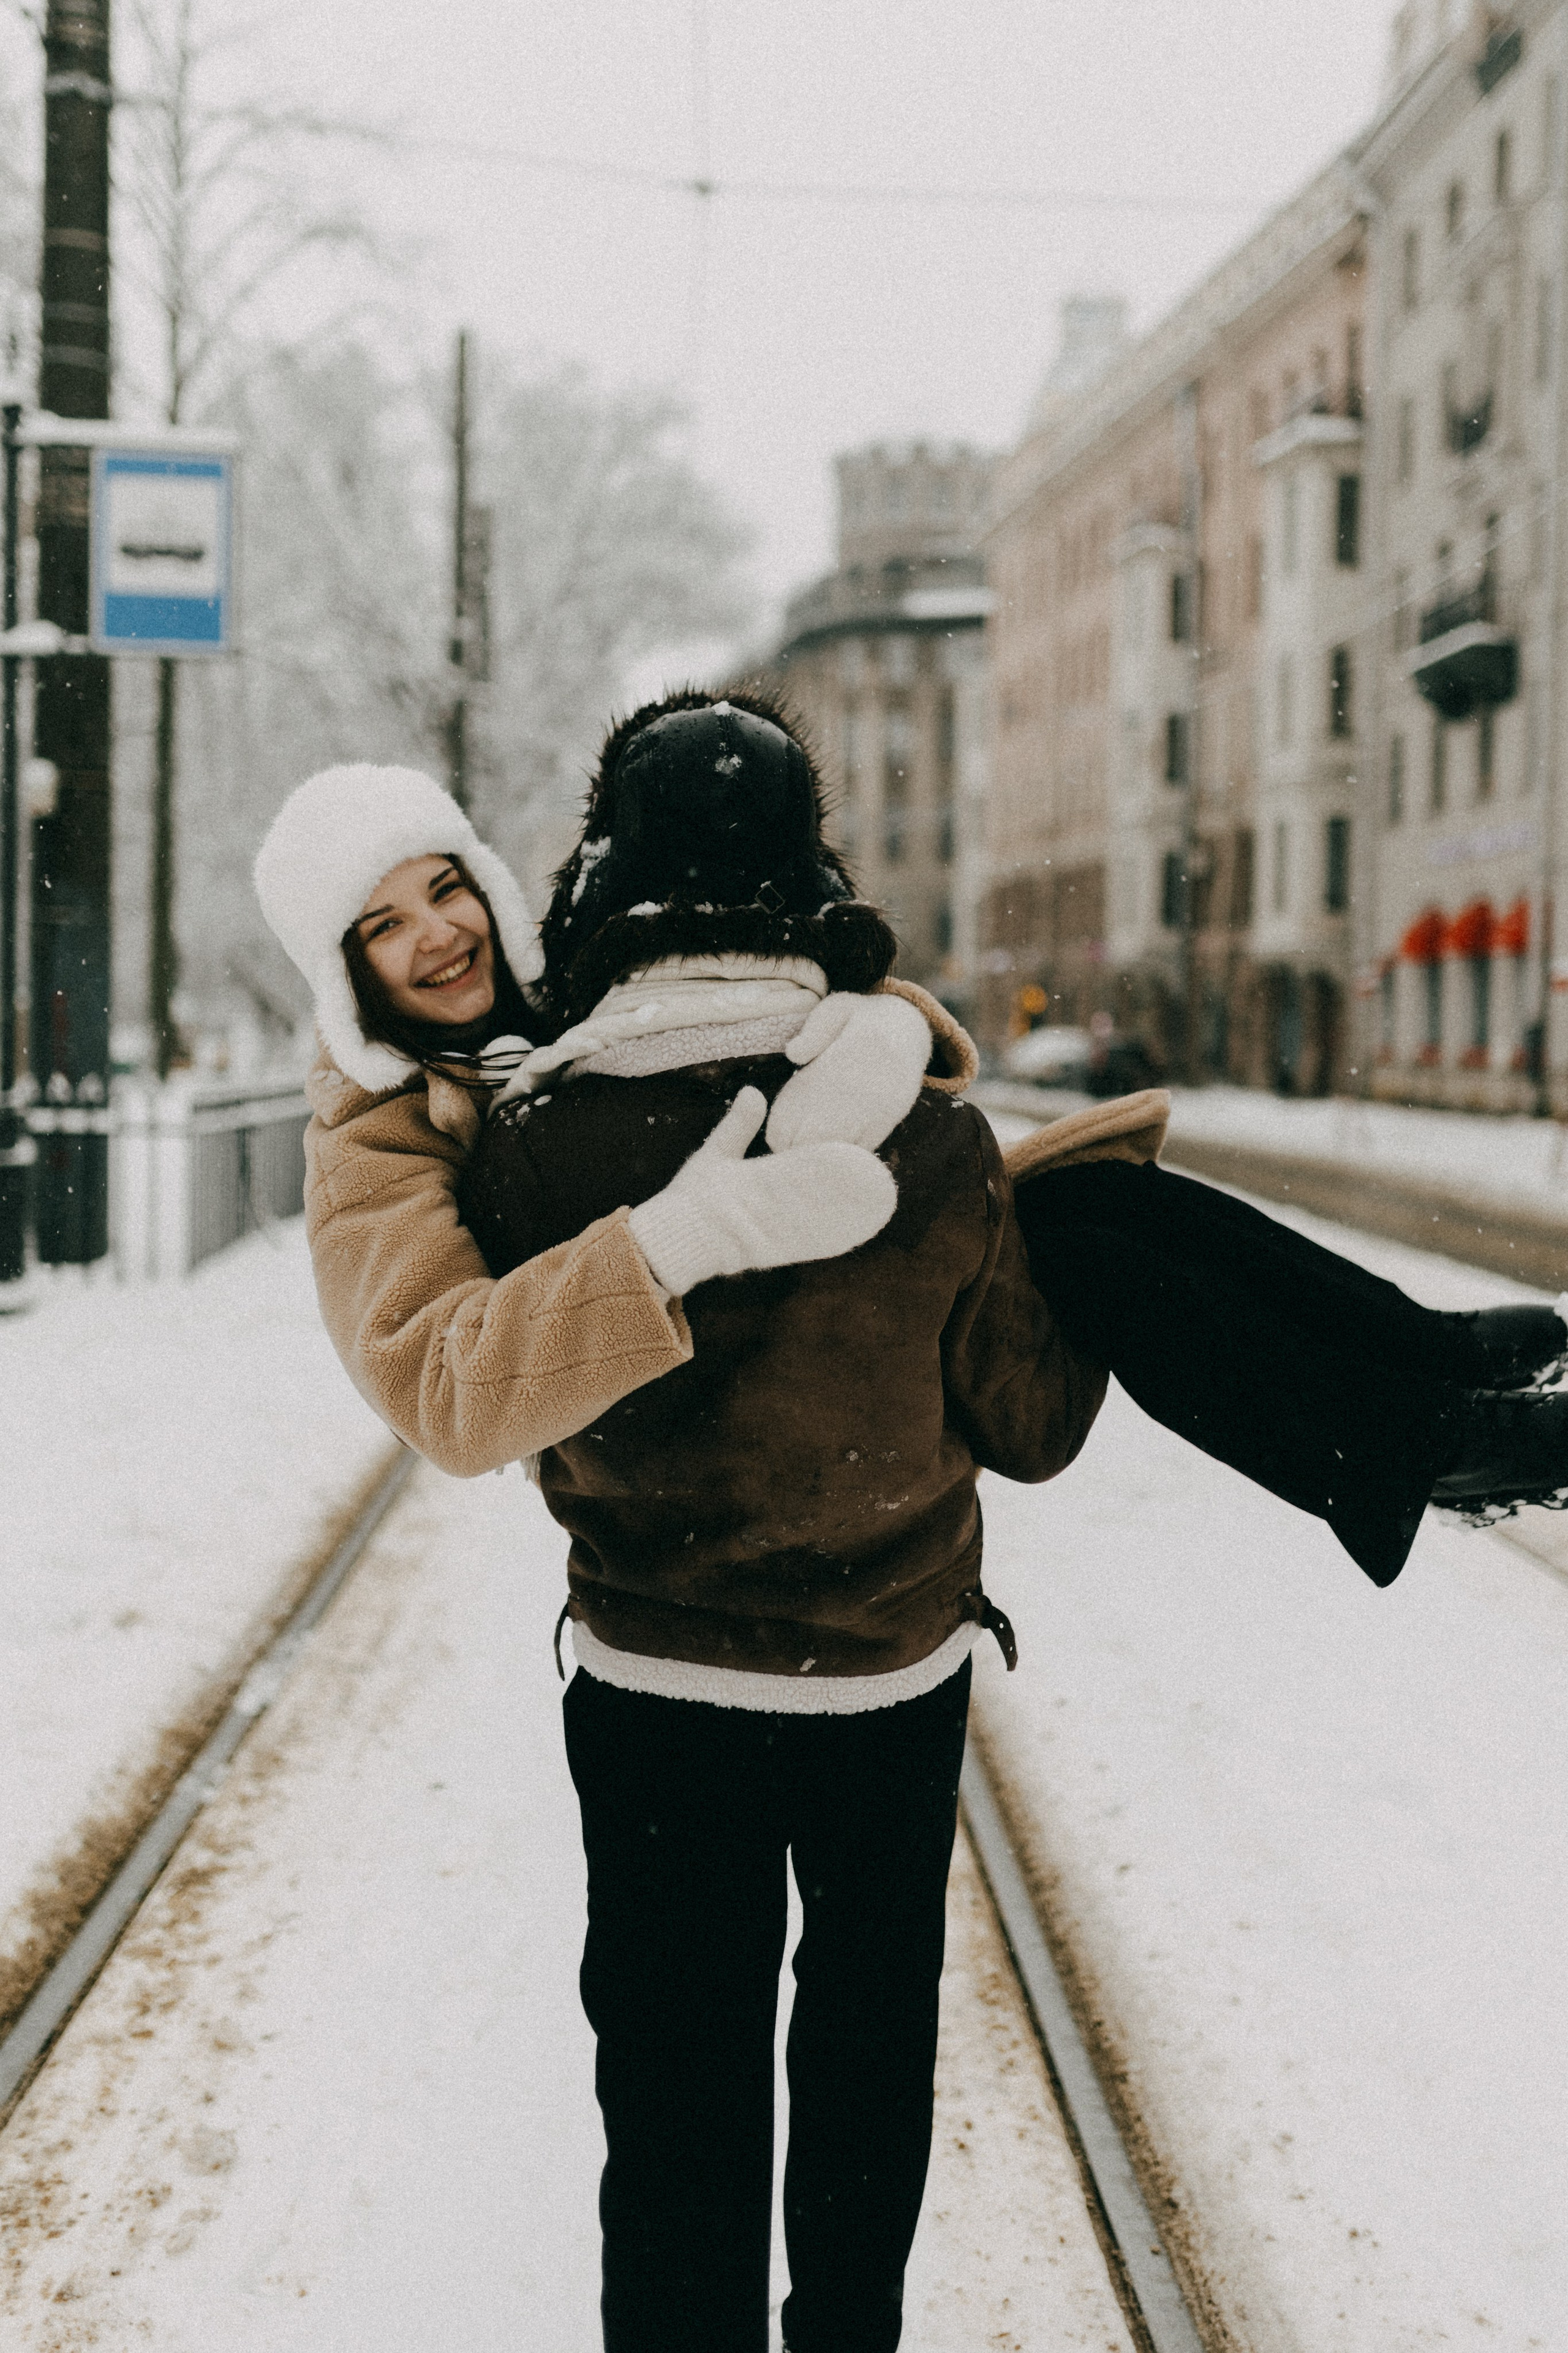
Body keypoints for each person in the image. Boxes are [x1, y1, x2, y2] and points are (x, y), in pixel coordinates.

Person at [252, 759, 974, 1481]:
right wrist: (675, 1240)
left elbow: (739, 968)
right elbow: (443, 1397)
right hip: (638, 1489)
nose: (439, 933)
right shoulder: (366, 1144)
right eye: (387, 925)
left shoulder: (574, 977)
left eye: (446, 889)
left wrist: (888, 1023)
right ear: (346, 976)